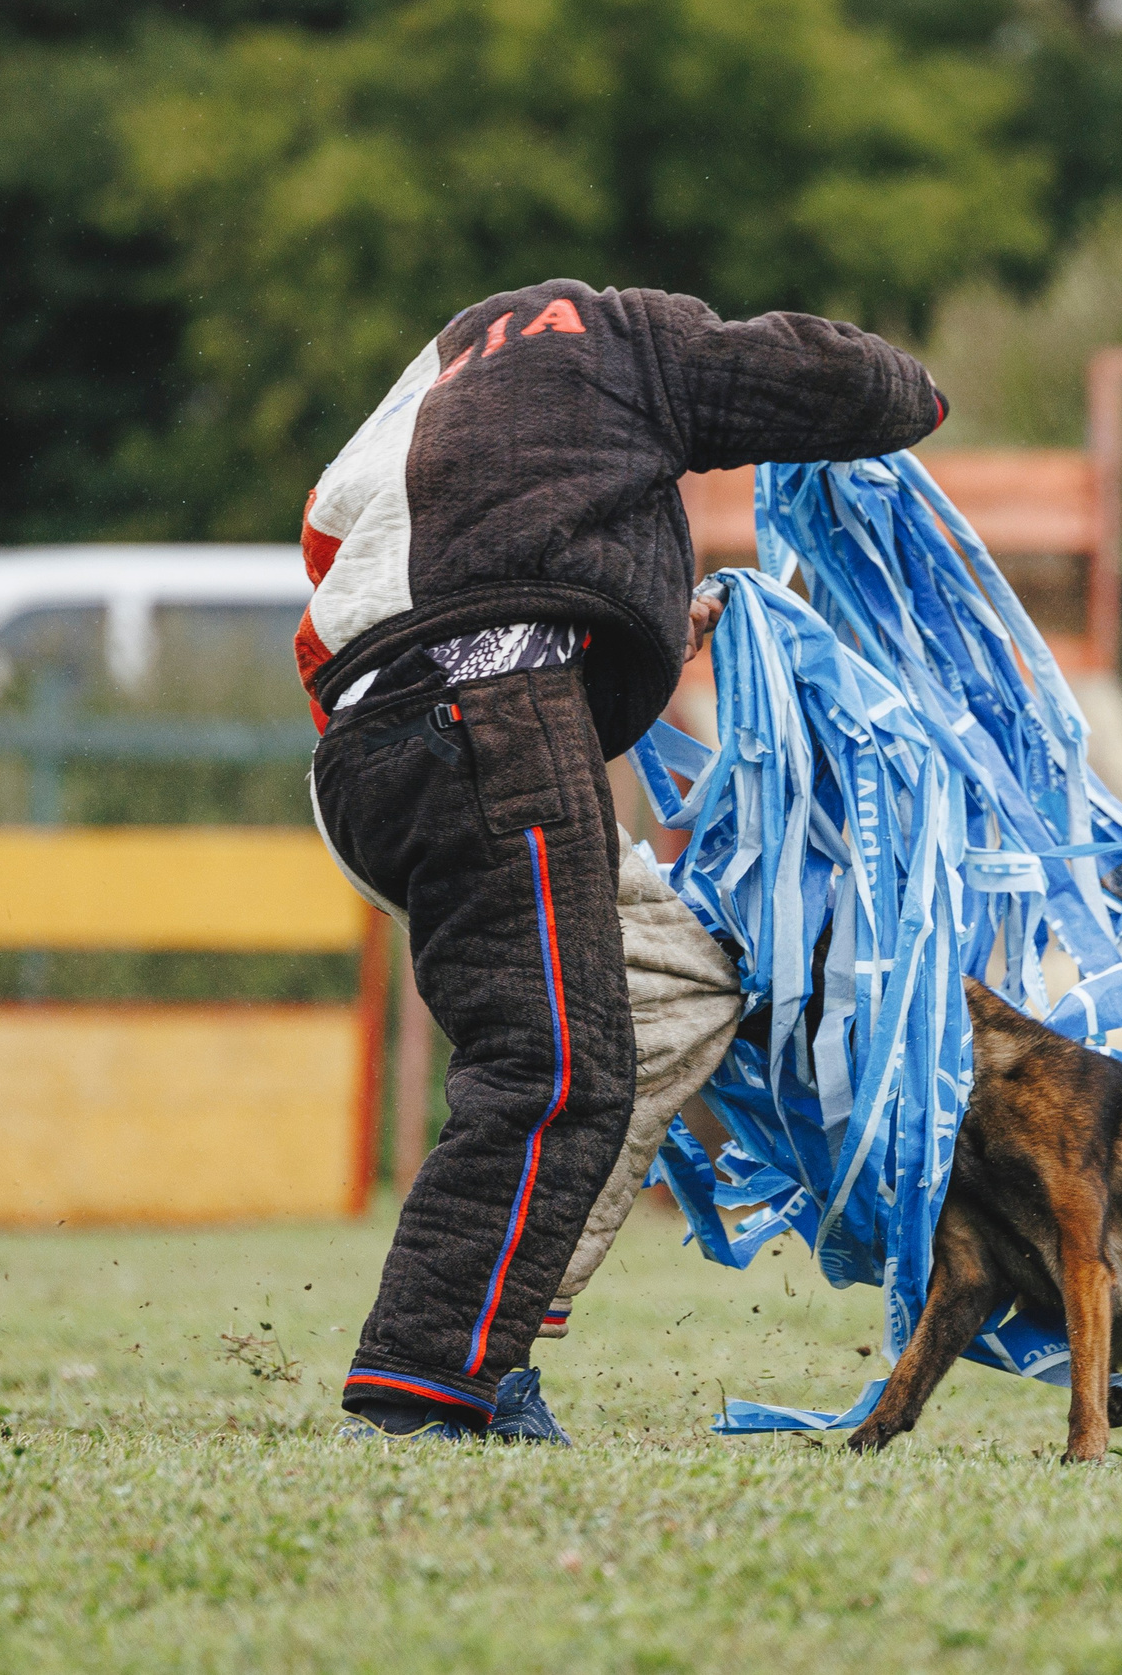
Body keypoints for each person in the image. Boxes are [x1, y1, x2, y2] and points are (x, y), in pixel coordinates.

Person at [296, 278, 944, 1442]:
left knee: (671, 984)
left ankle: (505, 1340)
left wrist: (642, 614)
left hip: (368, 753)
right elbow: (820, 375)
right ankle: (420, 1390)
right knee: (553, 1070)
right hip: (489, 719)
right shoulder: (624, 335)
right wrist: (920, 396)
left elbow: (357, 543)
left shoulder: (432, 384)